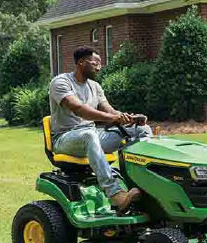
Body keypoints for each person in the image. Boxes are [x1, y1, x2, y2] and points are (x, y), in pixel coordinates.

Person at [49, 46, 152, 214]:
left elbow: (109, 111)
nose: (99, 67)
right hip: (65, 139)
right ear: (81, 63)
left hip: (93, 138)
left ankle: (144, 184)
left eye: (100, 63)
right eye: (95, 63)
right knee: (89, 135)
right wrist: (111, 118)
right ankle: (115, 194)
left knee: (142, 130)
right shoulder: (61, 82)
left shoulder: (95, 86)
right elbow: (78, 108)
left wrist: (130, 119)